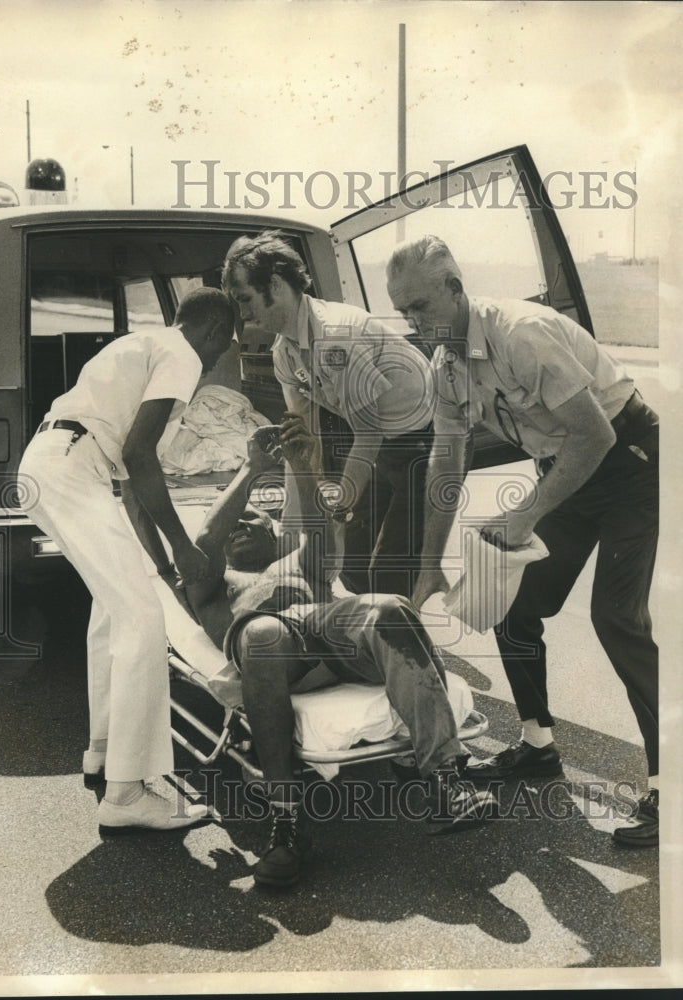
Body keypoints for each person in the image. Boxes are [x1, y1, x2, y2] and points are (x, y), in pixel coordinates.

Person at [130, 419, 496, 889]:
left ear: (276, 534)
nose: (242, 525)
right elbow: (203, 542)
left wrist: (304, 466)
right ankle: (287, 823)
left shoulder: (300, 562)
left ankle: (447, 783)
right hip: (274, 650)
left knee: (391, 606)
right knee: (261, 632)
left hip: (331, 635)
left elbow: (319, 536)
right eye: (234, 526)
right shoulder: (211, 586)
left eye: (254, 522)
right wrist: (253, 468)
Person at [386, 235, 659, 848]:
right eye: (402, 311)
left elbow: (595, 437)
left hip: (630, 462)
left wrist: (526, 516)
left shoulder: (521, 333)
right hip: (568, 471)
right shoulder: (444, 365)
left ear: (456, 290)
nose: (413, 322)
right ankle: (537, 745)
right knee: (512, 606)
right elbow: (445, 462)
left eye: (421, 307)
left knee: (618, 619)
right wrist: (429, 564)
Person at [18, 287, 235, 835]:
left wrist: (163, 567)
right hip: (71, 470)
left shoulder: (143, 345)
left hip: (53, 464)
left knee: (115, 612)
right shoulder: (182, 354)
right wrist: (186, 551)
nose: (219, 357)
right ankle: (126, 794)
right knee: (143, 622)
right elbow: (140, 457)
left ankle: (103, 748)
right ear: (213, 331)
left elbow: (136, 485)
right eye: (224, 344)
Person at [222, 231, 435, 598]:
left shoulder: (336, 336)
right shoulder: (284, 353)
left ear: (274, 284)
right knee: (351, 566)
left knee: (389, 570)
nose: (243, 314)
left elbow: (367, 435)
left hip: (425, 439)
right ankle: (384, 625)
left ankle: (403, 643)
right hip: (379, 439)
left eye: (246, 300)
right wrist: (295, 532)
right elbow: (303, 445)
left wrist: (336, 508)